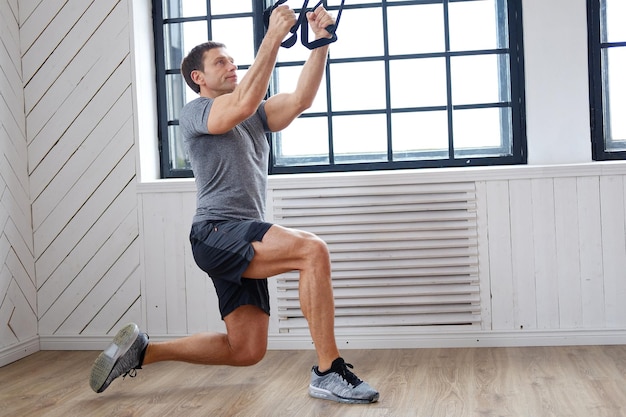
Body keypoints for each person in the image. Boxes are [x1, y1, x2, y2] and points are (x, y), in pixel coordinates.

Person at [89, 4, 379, 405]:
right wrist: (272, 37)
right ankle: (329, 371)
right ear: (198, 77)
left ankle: (143, 350)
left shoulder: (254, 116)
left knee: (245, 350)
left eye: (231, 60)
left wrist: (321, 42)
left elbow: (299, 99)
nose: (231, 65)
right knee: (312, 250)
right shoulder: (196, 113)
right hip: (216, 232)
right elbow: (240, 103)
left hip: (240, 235)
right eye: (220, 62)